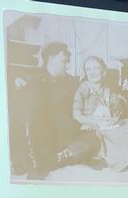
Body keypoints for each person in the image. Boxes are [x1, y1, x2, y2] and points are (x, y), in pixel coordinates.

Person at [23, 42, 102, 179]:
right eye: (64, 61)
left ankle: (56, 161)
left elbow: (85, 99)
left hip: (70, 138)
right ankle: (58, 159)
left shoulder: (71, 82)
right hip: (47, 139)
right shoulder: (34, 82)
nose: (67, 66)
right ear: (50, 58)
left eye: (68, 62)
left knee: (94, 137)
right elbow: (31, 121)